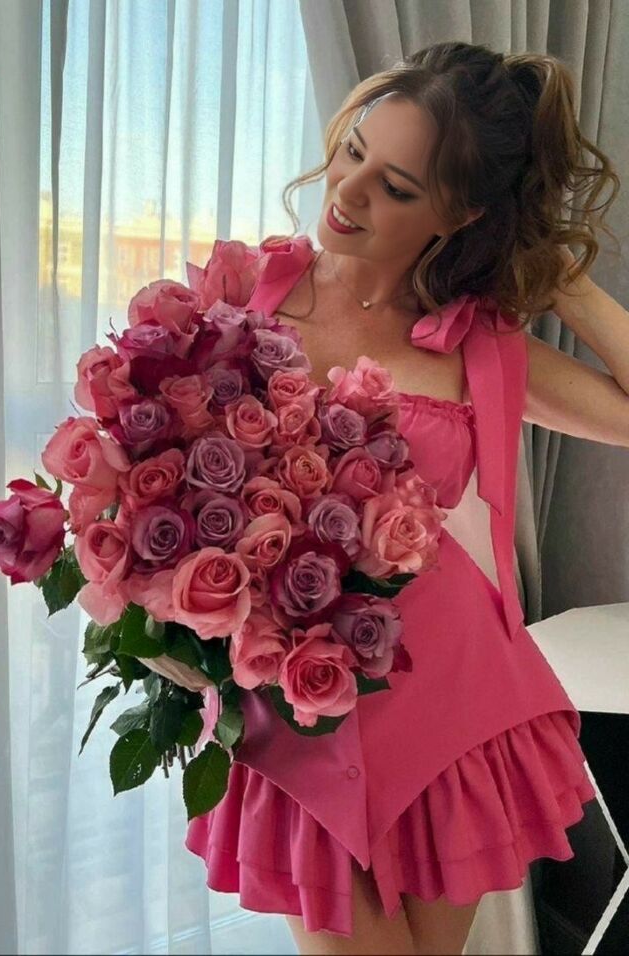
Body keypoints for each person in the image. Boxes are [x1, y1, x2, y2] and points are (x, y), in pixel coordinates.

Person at [180, 41, 623, 955]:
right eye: (353, 151)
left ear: (459, 215)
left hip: (452, 707)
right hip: (298, 711)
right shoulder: (247, 296)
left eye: (396, 186)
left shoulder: (479, 343)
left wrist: (562, 282)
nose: (347, 191)